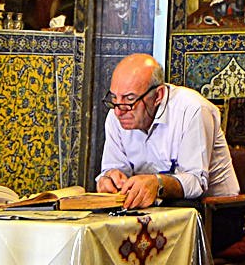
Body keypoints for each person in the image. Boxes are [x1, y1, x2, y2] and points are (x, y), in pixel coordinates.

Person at [96, 52, 236, 208]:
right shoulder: (115, 116)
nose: (118, 111)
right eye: (114, 98)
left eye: (130, 99)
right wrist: (109, 179)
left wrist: (157, 183)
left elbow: (196, 182)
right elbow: (114, 168)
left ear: (158, 96)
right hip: (158, 209)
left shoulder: (192, 110)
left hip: (213, 211)